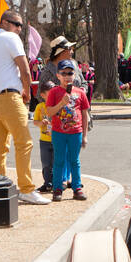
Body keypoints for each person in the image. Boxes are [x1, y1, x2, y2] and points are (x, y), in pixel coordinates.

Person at [0, 6, 48, 204]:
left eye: (20, 25)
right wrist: (27, 91)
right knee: (24, 142)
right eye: (16, 24)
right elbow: (24, 68)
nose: (20, 28)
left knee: (0, 145)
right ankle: (26, 188)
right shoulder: (11, 39)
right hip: (9, 95)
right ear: (5, 23)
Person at [45, 60, 90, 200]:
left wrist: (84, 136)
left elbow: (84, 114)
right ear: (58, 75)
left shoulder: (80, 92)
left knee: (74, 160)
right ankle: (57, 188)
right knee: (59, 160)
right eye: (63, 73)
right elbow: (49, 112)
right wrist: (61, 103)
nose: (67, 76)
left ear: (74, 75)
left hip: (75, 132)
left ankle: (77, 187)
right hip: (59, 132)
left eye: (70, 73)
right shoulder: (54, 92)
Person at [31, 81, 56, 193]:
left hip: (57, 139)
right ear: (42, 95)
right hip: (44, 140)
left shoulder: (58, 106)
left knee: (57, 162)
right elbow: (35, 122)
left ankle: (57, 183)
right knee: (46, 163)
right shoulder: (40, 107)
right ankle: (47, 183)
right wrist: (41, 123)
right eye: (50, 93)